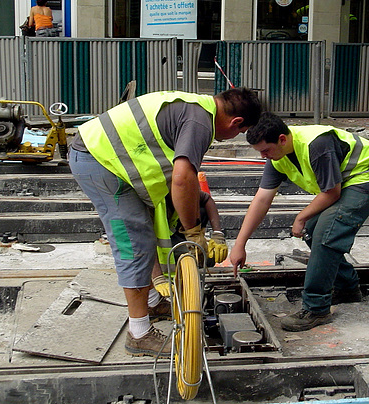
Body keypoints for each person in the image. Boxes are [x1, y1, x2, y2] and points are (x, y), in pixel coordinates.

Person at [69, 88, 261, 357]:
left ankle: (151, 302)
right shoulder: (200, 122)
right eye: (239, 132)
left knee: (142, 235)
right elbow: (183, 179)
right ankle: (139, 334)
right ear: (236, 122)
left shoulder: (195, 106)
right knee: (133, 243)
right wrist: (194, 232)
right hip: (100, 162)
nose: (234, 136)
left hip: (105, 158)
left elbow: (189, 187)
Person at [229, 113, 369, 332]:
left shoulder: (317, 145)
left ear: (282, 139)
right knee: (315, 230)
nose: (263, 157)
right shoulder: (278, 157)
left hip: (367, 174)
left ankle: (316, 308)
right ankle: (347, 288)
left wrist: (301, 216)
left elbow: (332, 193)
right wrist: (240, 244)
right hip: (343, 180)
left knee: (327, 233)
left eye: (265, 151)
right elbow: (261, 200)